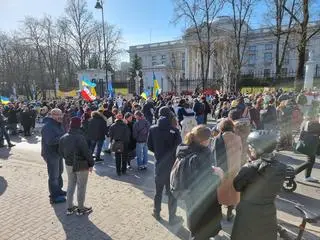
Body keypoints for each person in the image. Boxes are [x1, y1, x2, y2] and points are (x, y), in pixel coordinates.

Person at [231, 130, 287, 240]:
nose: (249, 149)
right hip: (268, 209)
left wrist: (248, 164)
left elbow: (237, 186)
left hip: (248, 211)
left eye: (251, 147)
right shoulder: (282, 167)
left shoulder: (250, 168)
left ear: (258, 149)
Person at [177, 125, 223, 240]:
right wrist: (219, 176)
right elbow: (205, 181)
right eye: (210, 139)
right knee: (202, 230)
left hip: (189, 194)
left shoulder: (184, 148)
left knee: (194, 226)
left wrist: (211, 169)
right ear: (204, 141)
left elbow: (194, 171)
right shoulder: (204, 154)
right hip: (203, 198)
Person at [148, 106, 183, 225]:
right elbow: (179, 148)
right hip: (172, 166)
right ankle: (172, 218)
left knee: (158, 191)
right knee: (172, 193)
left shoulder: (153, 129)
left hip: (159, 164)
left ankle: (156, 213)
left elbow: (150, 146)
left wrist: (159, 153)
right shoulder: (175, 130)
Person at [59, 117, 94, 216]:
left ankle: (69, 208)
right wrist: (91, 164)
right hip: (81, 165)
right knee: (81, 187)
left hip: (69, 164)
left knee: (71, 185)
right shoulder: (80, 137)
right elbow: (86, 152)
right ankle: (80, 208)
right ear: (79, 125)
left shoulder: (64, 137)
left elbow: (60, 152)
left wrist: (67, 158)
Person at [213, 119, 242, 222]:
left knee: (220, 191)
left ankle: (218, 214)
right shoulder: (238, 138)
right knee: (232, 191)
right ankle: (230, 213)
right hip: (234, 169)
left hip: (222, 170)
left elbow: (214, 155)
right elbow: (240, 152)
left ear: (221, 128)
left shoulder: (218, 139)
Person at [41, 108, 66, 204]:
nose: (60, 116)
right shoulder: (48, 126)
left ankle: (58, 190)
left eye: (61, 114)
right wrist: (63, 138)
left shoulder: (58, 124)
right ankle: (54, 197)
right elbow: (50, 141)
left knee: (59, 172)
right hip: (51, 153)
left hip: (58, 153)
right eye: (57, 114)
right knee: (53, 175)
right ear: (52, 115)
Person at [295, 113, 320, 182]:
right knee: (310, 161)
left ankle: (307, 176)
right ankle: (294, 172)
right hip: (311, 144)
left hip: (306, 143)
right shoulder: (314, 124)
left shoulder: (305, 122)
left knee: (311, 160)